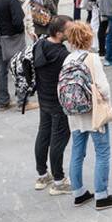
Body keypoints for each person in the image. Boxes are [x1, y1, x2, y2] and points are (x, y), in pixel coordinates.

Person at [60, 22, 112, 210]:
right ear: (88, 37)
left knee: (77, 152)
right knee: (102, 152)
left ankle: (78, 192)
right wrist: (107, 104)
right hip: (93, 112)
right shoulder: (92, 58)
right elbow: (103, 87)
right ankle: (102, 196)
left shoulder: (68, 59)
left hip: (74, 113)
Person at [32, 16, 72, 195]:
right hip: (58, 102)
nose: (71, 33)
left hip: (43, 98)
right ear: (58, 33)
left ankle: (42, 175)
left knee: (43, 135)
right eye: (68, 30)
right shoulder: (62, 54)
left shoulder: (40, 44)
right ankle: (59, 180)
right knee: (59, 139)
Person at [0, 0, 27, 111]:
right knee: (20, 69)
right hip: (12, 38)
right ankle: (22, 100)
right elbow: (18, 21)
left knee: (2, 70)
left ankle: (3, 100)